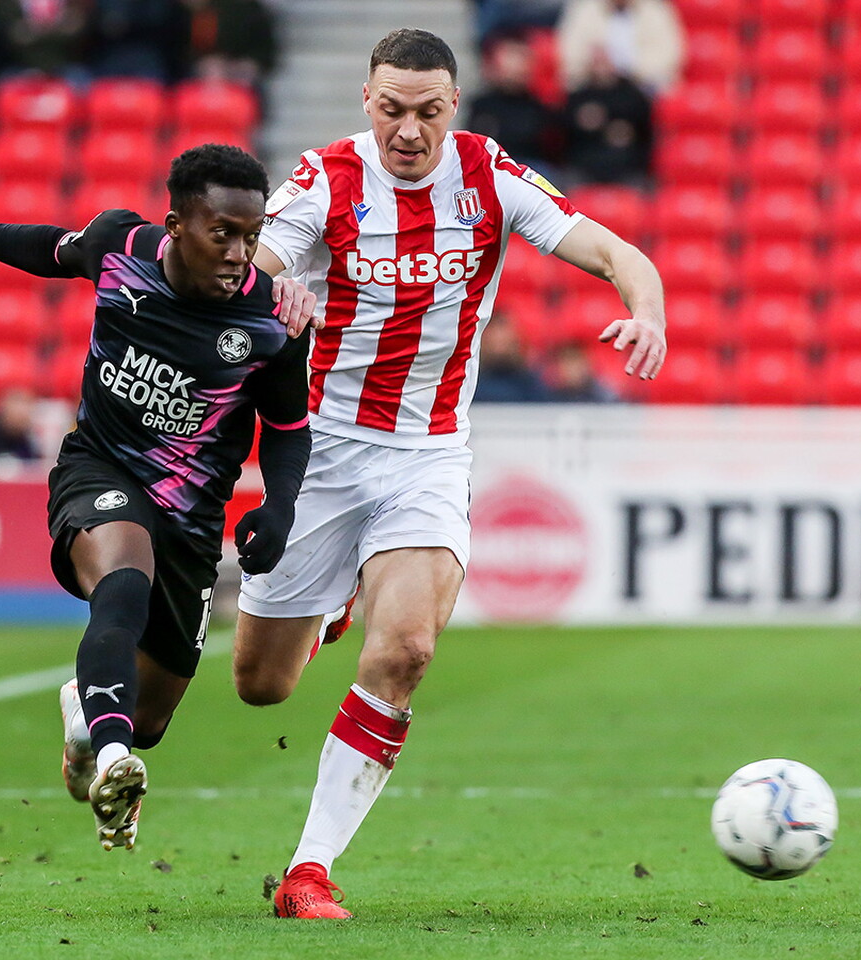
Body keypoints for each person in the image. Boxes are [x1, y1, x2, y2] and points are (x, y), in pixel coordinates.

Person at [233, 28, 666, 918]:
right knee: (261, 685)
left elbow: (620, 255)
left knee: (407, 651)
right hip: (321, 454)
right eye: (392, 109)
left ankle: (309, 870)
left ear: (453, 106)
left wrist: (647, 314)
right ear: (366, 100)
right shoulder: (323, 180)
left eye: (428, 111)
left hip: (427, 453)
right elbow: (243, 278)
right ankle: (331, 606)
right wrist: (272, 297)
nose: (408, 130)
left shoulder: (489, 175)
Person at [0, 144, 317, 852]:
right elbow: (44, 248)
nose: (238, 254)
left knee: (150, 718)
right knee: (122, 584)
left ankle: (90, 723)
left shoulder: (271, 323)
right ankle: (112, 761)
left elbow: (287, 428)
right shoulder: (119, 248)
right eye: (222, 233)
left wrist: (280, 507)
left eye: (251, 236)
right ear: (176, 226)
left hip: (193, 515)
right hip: (101, 469)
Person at [464, 33, 562, 179]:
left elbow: (552, 148)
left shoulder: (539, 106)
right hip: (493, 169)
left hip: (532, 169)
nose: (518, 66)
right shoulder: (482, 105)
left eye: (522, 58)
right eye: (511, 57)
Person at [562, 46, 653, 186]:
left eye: (605, 61)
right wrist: (582, 123)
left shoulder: (632, 95)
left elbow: (646, 129)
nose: (601, 68)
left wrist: (627, 132)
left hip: (626, 165)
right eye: (597, 62)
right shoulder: (578, 96)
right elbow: (562, 132)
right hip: (584, 164)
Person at [556, 0, 685, 96]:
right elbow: (567, 53)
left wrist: (623, 66)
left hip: (642, 88)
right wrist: (593, 62)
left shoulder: (656, 10)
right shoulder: (584, 9)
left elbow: (670, 56)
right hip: (594, 87)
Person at [471, 312, 552, 402]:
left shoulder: (530, 383)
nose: (500, 349)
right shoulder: (471, 380)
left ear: (515, 342)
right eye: (495, 342)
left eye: (504, 342)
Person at [546, 340, 620, 401]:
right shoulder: (549, 395)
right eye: (567, 363)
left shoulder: (603, 395)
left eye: (575, 363)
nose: (572, 369)